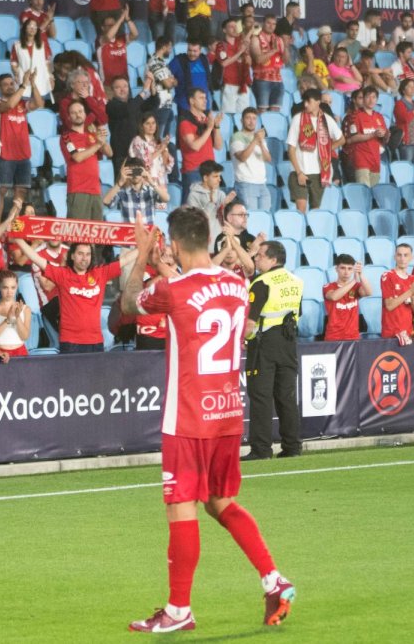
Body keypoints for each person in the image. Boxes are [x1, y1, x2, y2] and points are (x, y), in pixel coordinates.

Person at [122, 207, 294, 634]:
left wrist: (143, 254)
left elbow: (128, 305)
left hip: (188, 417)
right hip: (228, 413)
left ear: (175, 245)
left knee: (181, 507)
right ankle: (274, 578)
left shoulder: (172, 288)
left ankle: (178, 609)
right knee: (218, 501)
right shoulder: (238, 284)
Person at [13, 239, 137, 353]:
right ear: (72, 255)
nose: (84, 258)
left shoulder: (100, 273)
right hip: (70, 343)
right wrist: (18, 239)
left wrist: (144, 246)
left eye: (88, 254)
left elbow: (125, 260)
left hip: (96, 342)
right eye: (80, 254)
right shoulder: (63, 274)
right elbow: (35, 258)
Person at [243, 240, 301, 460]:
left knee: (261, 396)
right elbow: (298, 313)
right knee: (286, 396)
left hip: (263, 343)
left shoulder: (261, 282)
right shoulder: (296, 281)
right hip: (288, 342)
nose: (256, 259)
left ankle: (261, 449)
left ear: (273, 259)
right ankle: (292, 447)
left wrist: (244, 339)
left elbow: (250, 323)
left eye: (260, 256)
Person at [287, 89, 343, 213]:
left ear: (318, 102)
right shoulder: (298, 119)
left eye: (309, 101)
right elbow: (291, 149)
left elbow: (341, 139)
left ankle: (311, 233)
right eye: (305, 102)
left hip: (319, 172)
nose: (306, 104)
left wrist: (326, 149)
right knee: (301, 210)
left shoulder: (327, 119)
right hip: (299, 172)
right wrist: (299, 172)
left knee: (315, 211)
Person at [178, 88, 222, 192]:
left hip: (210, 170)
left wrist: (216, 127)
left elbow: (218, 146)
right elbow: (195, 146)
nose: (205, 100)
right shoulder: (185, 121)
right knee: (193, 207)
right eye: (201, 98)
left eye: (205, 98)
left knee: (211, 206)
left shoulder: (207, 120)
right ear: (192, 101)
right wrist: (209, 128)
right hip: (194, 170)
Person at [345, 86, 388, 187]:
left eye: (374, 97)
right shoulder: (355, 116)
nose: (371, 100)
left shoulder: (379, 117)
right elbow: (351, 139)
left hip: (376, 160)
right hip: (361, 160)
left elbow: (383, 138)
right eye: (368, 97)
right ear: (363, 99)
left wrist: (385, 136)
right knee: (364, 192)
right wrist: (373, 134)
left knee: (374, 193)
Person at [230, 108, 271, 210]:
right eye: (248, 118)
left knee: (264, 218)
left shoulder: (259, 138)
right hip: (246, 183)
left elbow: (268, 159)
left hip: (262, 183)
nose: (251, 121)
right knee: (251, 218)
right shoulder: (236, 136)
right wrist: (255, 140)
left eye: (254, 118)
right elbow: (242, 157)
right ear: (241, 120)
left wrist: (261, 143)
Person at [104, 158, 169, 222]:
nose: (135, 175)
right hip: (129, 231)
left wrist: (151, 182)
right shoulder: (122, 192)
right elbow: (106, 201)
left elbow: (166, 199)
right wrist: (120, 183)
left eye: (137, 171)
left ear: (143, 172)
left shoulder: (150, 190)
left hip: (147, 231)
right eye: (132, 171)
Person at [0, 270, 31, 360]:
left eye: (13, 287)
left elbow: (24, 336)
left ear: (17, 287)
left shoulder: (26, 309)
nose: (9, 291)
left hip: (20, 352)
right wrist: (8, 320)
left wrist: (17, 317)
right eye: (5, 287)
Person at [323, 254, 369, 341]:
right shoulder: (328, 286)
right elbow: (334, 297)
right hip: (333, 337)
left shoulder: (356, 287)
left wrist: (361, 274)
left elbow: (368, 292)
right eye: (343, 268)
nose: (346, 272)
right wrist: (354, 281)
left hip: (353, 337)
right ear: (336, 269)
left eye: (350, 268)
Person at [381, 243, 414, 342]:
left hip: (408, 333)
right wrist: (410, 292)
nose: (402, 258)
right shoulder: (387, 276)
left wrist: (413, 298)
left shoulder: (413, 279)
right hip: (391, 334)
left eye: (406, 255)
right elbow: (389, 306)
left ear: (411, 257)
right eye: (399, 255)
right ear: (394, 257)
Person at [212, 17, 253, 115]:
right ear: (224, 30)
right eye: (231, 27)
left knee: (244, 116)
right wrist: (240, 52)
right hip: (229, 84)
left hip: (243, 85)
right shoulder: (221, 45)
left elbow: (249, 62)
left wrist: (247, 56)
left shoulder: (240, 43)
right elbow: (224, 63)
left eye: (235, 26)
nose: (234, 29)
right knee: (228, 115)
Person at [106, 77, 145, 173]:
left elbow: (153, 104)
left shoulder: (133, 103)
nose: (122, 90)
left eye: (125, 86)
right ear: (112, 91)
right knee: (123, 183)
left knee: (138, 183)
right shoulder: (111, 105)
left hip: (137, 151)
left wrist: (152, 89)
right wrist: (144, 92)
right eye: (118, 87)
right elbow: (127, 110)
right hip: (121, 153)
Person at [96, 6, 139, 90]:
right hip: (108, 86)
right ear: (102, 27)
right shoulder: (101, 40)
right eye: (109, 25)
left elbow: (135, 34)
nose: (112, 27)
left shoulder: (121, 39)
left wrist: (128, 19)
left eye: (113, 25)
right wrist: (120, 19)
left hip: (124, 84)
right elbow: (108, 37)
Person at [11, 19, 54, 103]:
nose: (32, 28)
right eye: (30, 26)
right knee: (26, 104)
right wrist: (16, 74)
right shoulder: (17, 45)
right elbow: (13, 63)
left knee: (40, 104)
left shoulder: (42, 44)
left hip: (41, 79)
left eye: (35, 26)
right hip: (24, 78)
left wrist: (51, 77)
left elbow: (48, 62)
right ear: (24, 29)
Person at [251, 15, 287, 112]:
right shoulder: (255, 39)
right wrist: (274, 50)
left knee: (275, 112)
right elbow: (258, 60)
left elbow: (285, 60)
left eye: (274, 24)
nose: (271, 26)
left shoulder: (279, 40)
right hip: (262, 79)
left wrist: (286, 46)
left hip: (278, 79)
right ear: (263, 23)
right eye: (268, 23)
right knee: (262, 110)